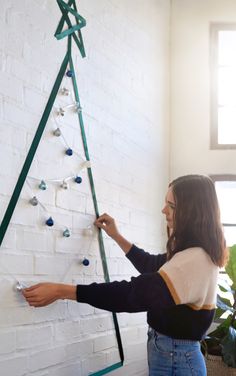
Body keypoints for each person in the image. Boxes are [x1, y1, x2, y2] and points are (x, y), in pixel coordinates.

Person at [22, 174, 227, 376]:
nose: (163, 210)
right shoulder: (194, 253)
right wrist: (117, 236)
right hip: (173, 355)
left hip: (176, 359)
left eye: (171, 206)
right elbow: (154, 266)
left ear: (192, 211)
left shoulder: (194, 259)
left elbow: (133, 294)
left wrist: (62, 291)